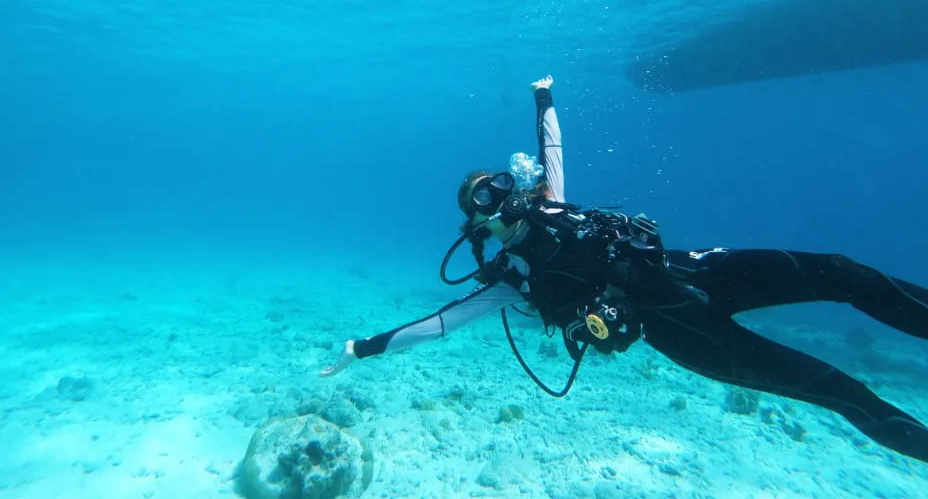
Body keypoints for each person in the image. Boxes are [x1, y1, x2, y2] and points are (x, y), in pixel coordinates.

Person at [322, 75, 928, 462]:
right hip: (685, 334)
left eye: (501, 183)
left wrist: (544, 97)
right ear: (479, 224)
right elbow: (443, 323)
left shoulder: (553, 204)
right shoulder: (511, 280)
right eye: (484, 198)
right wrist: (365, 347)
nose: (502, 195)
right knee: (838, 389)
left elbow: (553, 150)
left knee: (846, 273)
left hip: (695, 269)